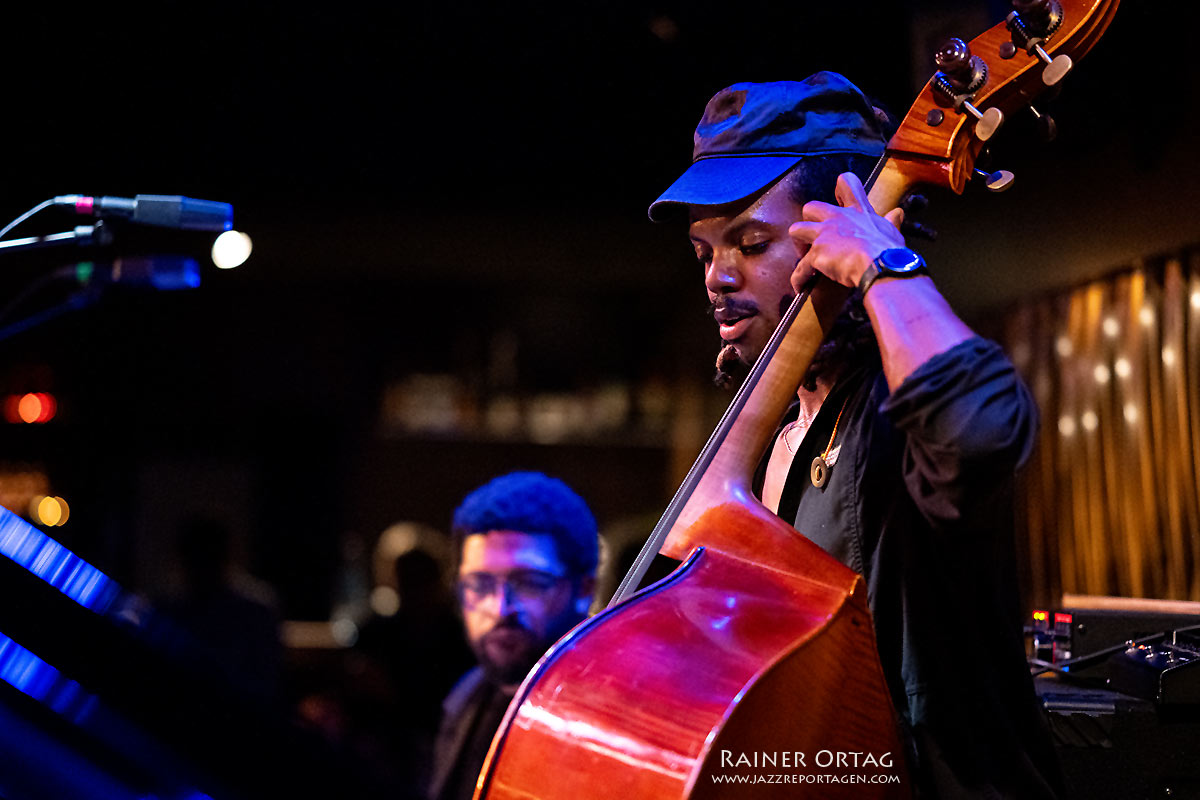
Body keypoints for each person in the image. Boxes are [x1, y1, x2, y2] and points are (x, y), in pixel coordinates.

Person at [648, 73, 1063, 798]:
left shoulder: (894, 412)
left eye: (750, 242)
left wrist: (881, 264)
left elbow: (981, 429)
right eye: (704, 251)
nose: (717, 276)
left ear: (841, 231)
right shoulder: (767, 438)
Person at [427, 471, 599, 800]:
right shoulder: (467, 695)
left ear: (584, 590)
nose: (500, 608)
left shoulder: (603, 721)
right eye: (479, 584)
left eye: (529, 583)